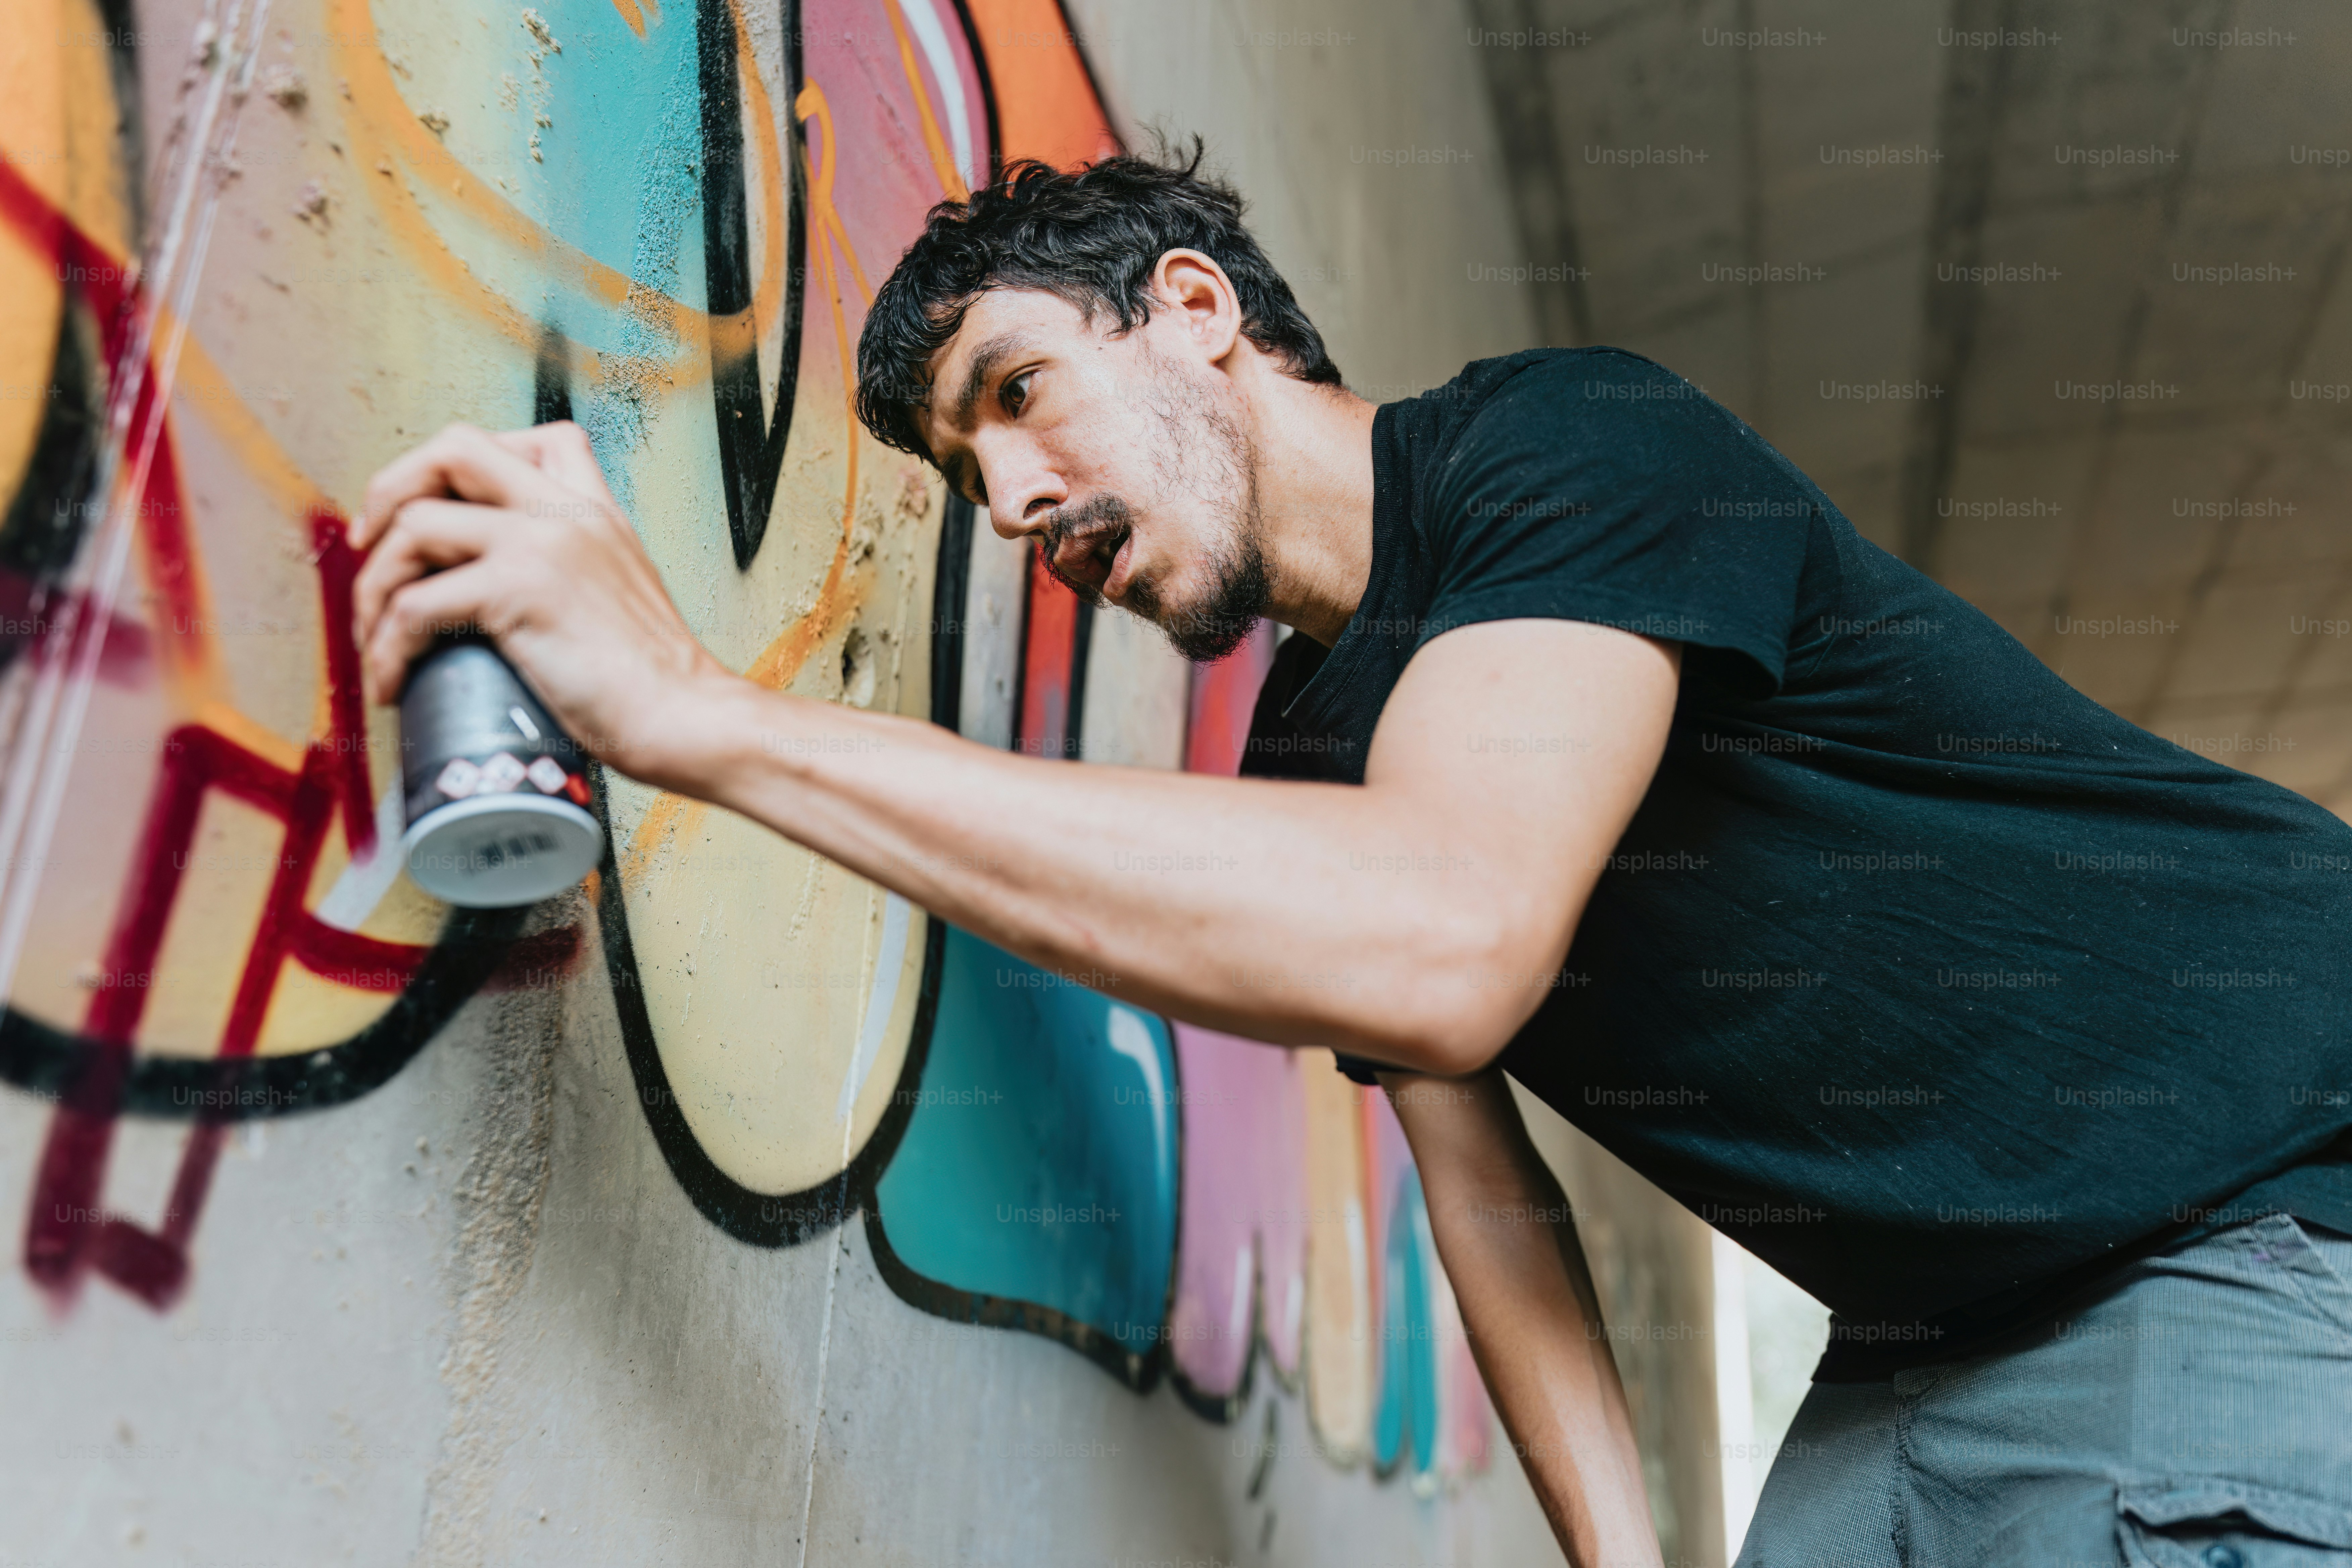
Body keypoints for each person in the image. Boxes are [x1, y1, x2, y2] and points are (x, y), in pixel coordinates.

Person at [350, 145, 2352, 1568]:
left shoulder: (1562, 450)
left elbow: (1447, 943)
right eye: (972, 476)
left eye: (1020, 396)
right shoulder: (1318, 751)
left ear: (1197, 312)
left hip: (2241, 1215)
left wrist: (696, 716)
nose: (1020, 496)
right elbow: (1487, 1206)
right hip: (1920, 1340)